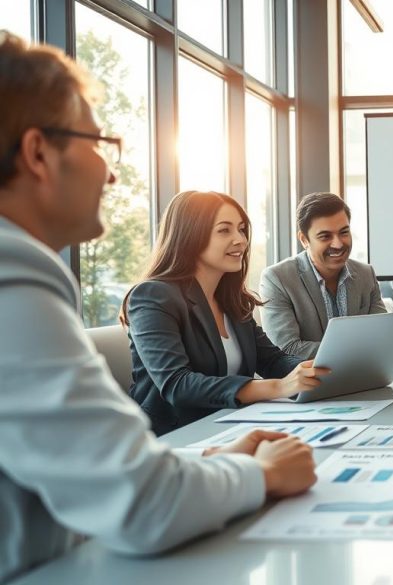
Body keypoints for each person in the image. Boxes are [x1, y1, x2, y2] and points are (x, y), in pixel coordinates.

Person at [0, 31, 315, 583]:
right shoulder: (14, 272)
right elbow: (142, 505)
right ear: (37, 153)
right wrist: (255, 475)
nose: (111, 172)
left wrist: (207, 465)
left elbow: (95, 480)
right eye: (98, 144)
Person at [124, 190, 328, 435]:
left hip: (230, 426)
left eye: (241, 229)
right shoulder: (152, 296)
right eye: (224, 230)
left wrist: (316, 369)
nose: (241, 240)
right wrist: (277, 388)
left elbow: (272, 360)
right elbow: (177, 385)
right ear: (190, 236)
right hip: (173, 437)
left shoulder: (230, 299)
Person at [260, 192, 386, 360]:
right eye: (325, 236)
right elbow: (287, 348)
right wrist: (355, 351)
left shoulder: (366, 274)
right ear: (304, 239)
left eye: (344, 232)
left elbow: (384, 336)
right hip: (306, 383)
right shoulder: (277, 279)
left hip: (364, 379)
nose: (338, 244)